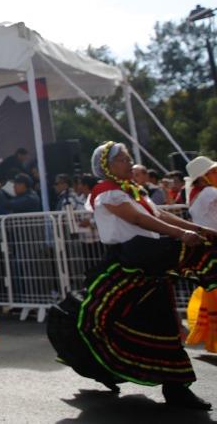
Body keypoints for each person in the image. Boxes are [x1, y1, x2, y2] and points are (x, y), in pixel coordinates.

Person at [47, 142, 217, 410]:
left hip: (149, 264)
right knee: (100, 320)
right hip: (125, 265)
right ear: (108, 166)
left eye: (128, 158)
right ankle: (99, 366)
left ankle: (177, 389)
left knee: (162, 325)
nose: (129, 162)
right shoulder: (106, 192)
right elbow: (138, 220)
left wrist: (200, 229)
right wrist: (182, 235)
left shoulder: (133, 191)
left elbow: (159, 214)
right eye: (123, 159)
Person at [185, 155, 217, 353]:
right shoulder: (209, 193)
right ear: (204, 176)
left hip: (207, 249)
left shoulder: (196, 195)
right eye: (213, 172)